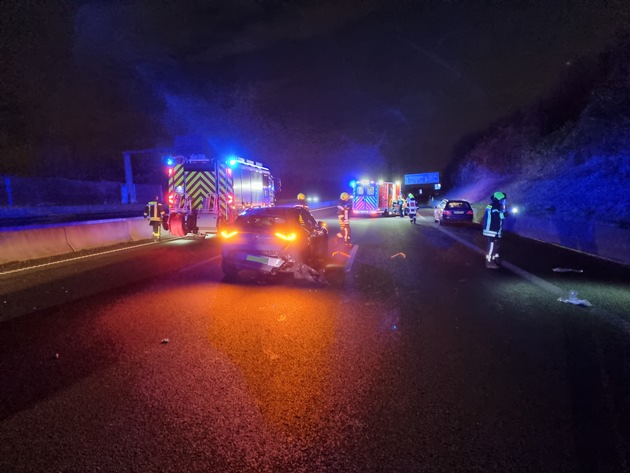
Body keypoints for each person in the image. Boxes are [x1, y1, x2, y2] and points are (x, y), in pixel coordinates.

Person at [482, 191, 507, 269]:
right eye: (502, 199)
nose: (503, 201)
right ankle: (489, 262)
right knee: (492, 246)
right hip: (492, 230)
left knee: (496, 245)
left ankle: (494, 259)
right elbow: (498, 216)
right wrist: (505, 212)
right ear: (499, 199)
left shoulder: (493, 205)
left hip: (493, 229)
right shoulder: (495, 206)